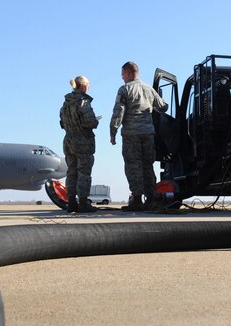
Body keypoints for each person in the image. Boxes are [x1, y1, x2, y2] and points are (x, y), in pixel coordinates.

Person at [109, 61, 168, 211]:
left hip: (131, 134)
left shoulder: (124, 89)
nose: (122, 78)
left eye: (123, 74)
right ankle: (151, 198)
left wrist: (113, 131)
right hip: (148, 133)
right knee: (148, 165)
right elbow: (163, 107)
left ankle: (136, 199)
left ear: (128, 73)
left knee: (133, 165)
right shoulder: (149, 89)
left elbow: (118, 112)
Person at [60, 75, 99, 213]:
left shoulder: (65, 104)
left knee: (71, 172)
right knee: (84, 173)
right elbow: (90, 122)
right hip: (83, 142)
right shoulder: (83, 102)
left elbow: (62, 123)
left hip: (69, 141)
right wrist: (96, 121)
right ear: (83, 86)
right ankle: (83, 203)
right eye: (88, 85)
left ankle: (71, 203)